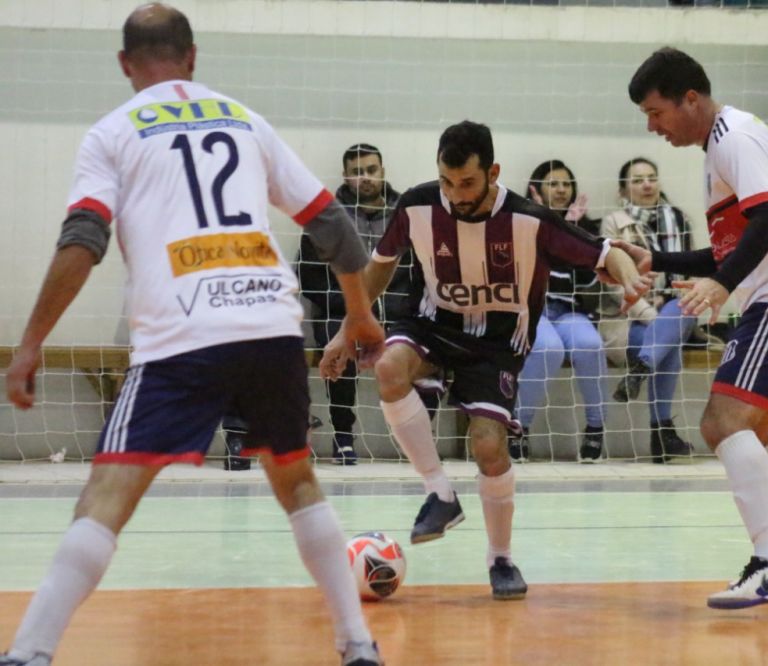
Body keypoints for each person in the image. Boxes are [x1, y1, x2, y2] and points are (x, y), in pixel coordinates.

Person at [1, 5, 383, 665]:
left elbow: (83, 239)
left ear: (125, 64)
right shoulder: (244, 118)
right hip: (269, 323)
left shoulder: (112, 132)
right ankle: (357, 646)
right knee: (296, 480)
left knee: (109, 492)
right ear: (193, 57)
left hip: (181, 332)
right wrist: (358, 314)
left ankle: (29, 653)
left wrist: (30, 341)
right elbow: (333, 225)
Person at [321, 121, 648, 600]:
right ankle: (440, 493)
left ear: (493, 172)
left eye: (468, 183)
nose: (456, 194)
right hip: (431, 324)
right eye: (447, 181)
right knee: (389, 367)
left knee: (489, 446)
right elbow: (378, 273)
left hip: (498, 342)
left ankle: (501, 559)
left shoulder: (530, 218)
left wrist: (629, 282)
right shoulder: (415, 205)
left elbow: (606, 253)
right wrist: (345, 332)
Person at [620, 46, 768, 609]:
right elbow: (730, 246)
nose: (653, 127)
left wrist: (722, 288)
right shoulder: (721, 142)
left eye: (656, 113)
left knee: (721, 422)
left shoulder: (734, 139)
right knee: (751, 432)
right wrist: (657, 260)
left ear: (690, 98)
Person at [296, 142, 440, 464]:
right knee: (338, 339)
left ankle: (416, 438)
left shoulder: (406, 212)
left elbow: (426, 268)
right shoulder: (327, 216)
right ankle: (344, 437)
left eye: (371, 170)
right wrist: (353, 307)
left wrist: (396, 306)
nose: (365, 178)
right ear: (346, 176)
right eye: (357, 172)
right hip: (343, 314)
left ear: (383, 172)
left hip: (400, 313)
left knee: (426, 342)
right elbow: (309, 277)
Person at [508, 159, 609, 463]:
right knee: (547, 349)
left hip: (568, 311)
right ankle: (517, 428)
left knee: (591, 345)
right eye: (554, 183)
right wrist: (546, 226)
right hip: (532, 310)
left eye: (566, 184)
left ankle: (595, 428)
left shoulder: (585, 226)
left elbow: (589, 279)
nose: (562, 189)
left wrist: (572, 232)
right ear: (536, 189)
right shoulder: (518, 222)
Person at [599, 157, 698, 463]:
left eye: (652, 177)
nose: (646, 184)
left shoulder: (679, 219)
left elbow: (693, 271)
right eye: (638, 179)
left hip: (677, 309)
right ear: (623, 189)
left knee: (684, 307)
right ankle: (662, 435)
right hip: (632, 317)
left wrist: (669, 310)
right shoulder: (613, 222)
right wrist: (651, 315)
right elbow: (614, 284)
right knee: (668, 346)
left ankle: (640, 371)